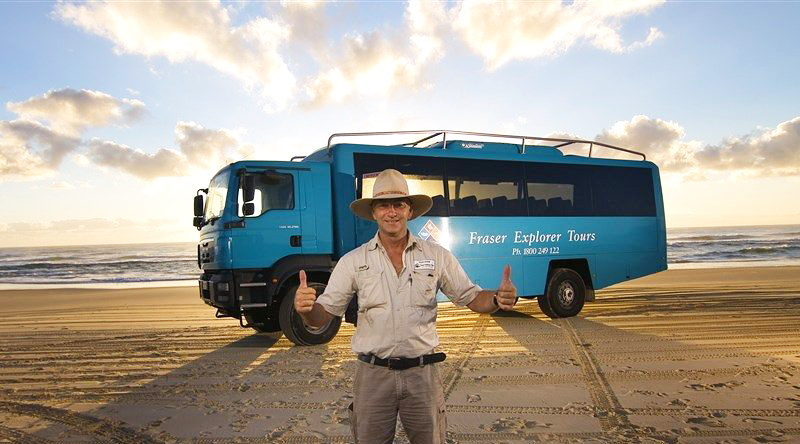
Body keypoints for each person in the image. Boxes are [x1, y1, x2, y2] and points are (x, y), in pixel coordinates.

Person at [294, 169, 518, 444]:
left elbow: (471, 297)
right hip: (373, 376)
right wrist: (307, 309)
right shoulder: (353, 261)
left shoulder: (437, 256)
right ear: (373, 213)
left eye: (399, 204)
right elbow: (323, 315)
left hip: (422, 376)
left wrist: (497, 298)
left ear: (410, 211)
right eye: (384, 205)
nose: (392, 212)